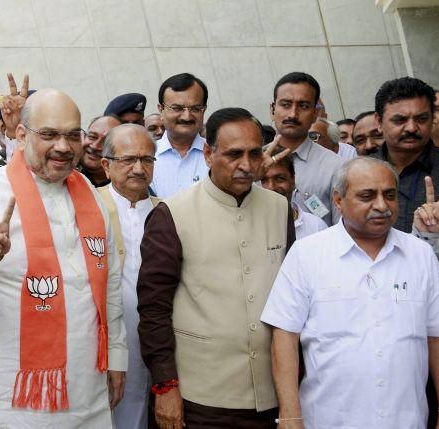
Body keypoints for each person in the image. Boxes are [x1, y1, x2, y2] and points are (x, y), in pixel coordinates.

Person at [0, 88, 128, 428]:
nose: (63, 147)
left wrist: (117, 358)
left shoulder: (91, 198)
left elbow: (108, 288)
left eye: (71, 135)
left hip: (86, 397)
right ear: (20, 135)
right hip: (6, 403)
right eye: (49, 134)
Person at [138, 108, 294, 429]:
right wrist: (166, 386)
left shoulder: (278, 209)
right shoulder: (173, 213)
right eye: (234, 154)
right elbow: (153, 309)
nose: (246, 165)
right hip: (201, 398)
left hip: (271, 393)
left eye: (254, 154)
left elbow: (291, 304)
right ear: (208, 154)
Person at [262, 157, 439, 429]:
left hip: (405, 419)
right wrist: (289, 415)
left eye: (389, 195)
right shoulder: (308, 254)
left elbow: (437, 337)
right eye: (367, 196)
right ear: (338, 200)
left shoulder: (420, 255)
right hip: (327, 420)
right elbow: (285, 336)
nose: (381, 206)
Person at [97, 124, 159, 429]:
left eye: (147, 160)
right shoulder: (87, 206)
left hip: (159, 338)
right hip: (108, 339)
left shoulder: (168, 212)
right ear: (106, 165)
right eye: (128, 160)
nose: (139, 168)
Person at [370, 77, 439, 232]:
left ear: (432, 119)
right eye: (400, 120)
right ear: (378, 122)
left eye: (421, 119)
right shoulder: (361, 172)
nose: (411, 128)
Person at [271, 72, 344, 226]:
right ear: (272, 110)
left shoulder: (336, 167)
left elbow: (342, 227)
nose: (293, 114)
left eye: (303, 106)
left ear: (315, 114)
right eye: (285, 104)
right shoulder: (253, 161)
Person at [151, 73, 209, 198]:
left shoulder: (217, 154)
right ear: (161, 110)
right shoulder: (147, 156)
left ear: (204, 110)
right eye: (177, 108)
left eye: (195, 108)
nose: (186, 116)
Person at [261, 152, 327, 240]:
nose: (271, 187)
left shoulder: (316, 227)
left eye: (280, 179)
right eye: (264, 180)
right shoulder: (248, 226)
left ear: (293, 181)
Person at [78, 115, 121, 187]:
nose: (95, 146)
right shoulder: (65, 175)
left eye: (105, 142)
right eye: (92, 137)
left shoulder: (124, 187)